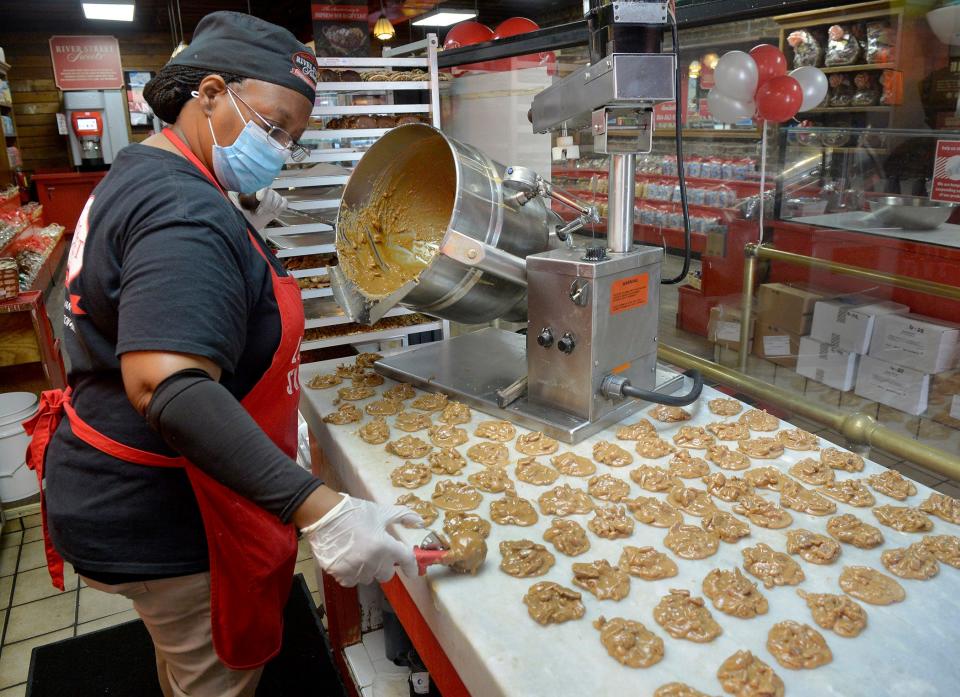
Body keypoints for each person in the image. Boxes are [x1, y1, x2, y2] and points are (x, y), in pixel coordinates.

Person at [23, 12, 420, 697]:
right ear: (209, 94)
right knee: (216, 675)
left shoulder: (146, 169)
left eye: (291, 139)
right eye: (273, 127)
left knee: (184, 661)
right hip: (165, 511)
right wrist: (321, 508)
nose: (281, 150)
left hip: (109, 483)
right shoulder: (184, 208)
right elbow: (168, 387)